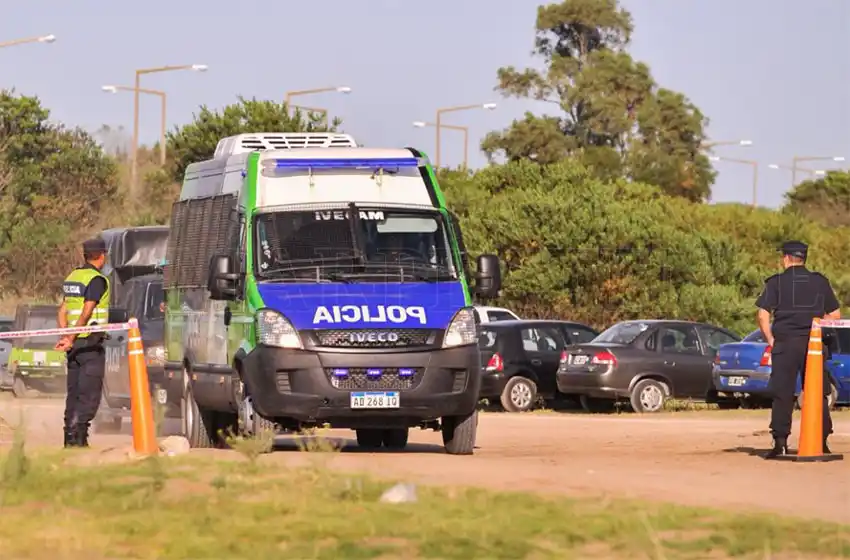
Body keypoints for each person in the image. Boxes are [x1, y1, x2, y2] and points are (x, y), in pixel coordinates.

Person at [755, 240, 840, 459]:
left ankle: (780, 443)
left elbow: (762, 315)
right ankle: (821, 441)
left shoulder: (776, 282)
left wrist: (771, 340)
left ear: (785, 258)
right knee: (817, 393)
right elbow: (835, 315)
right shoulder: (820, 282)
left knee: (782, 393)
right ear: (804, 258)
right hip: (813, 344)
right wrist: (817, 329)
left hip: (785, 342)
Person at [55, 237, 111, 448]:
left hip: (74, 347)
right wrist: (72, 336)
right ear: (102, 255)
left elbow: (62, 310)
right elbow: (87, 311)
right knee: (89, 394)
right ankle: (78, 439)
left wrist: (65, 337)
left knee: (74, 393)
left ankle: (69, 439)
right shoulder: (97, 280)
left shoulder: (73, 277)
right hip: (89, 344)